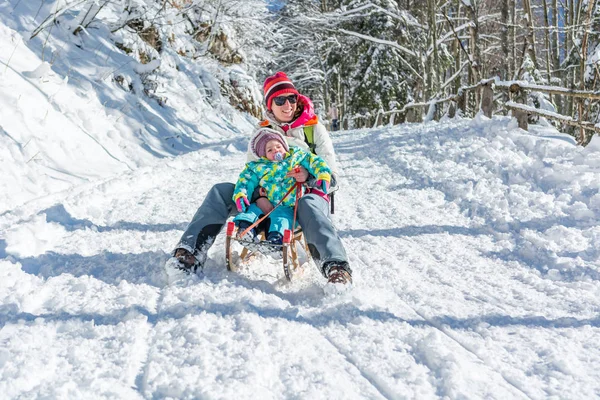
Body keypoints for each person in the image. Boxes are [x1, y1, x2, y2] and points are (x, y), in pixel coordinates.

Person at [170, 71, 352, 285]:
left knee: (309, 203)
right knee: (221, 191)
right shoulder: (261, 131)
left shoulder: (313, 130)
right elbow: (251, 171)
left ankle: (336, 267)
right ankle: (191, 251)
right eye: (280, 100)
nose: (288, 105)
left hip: (302, 197)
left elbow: (332, 177)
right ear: (270, 105)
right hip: (267, 196)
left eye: (292, 98)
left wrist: (308, 177)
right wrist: (258, 197)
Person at [232, 127, 331, 245]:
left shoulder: (296, 157)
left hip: (287, 206)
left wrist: (323, 175)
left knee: (281, 219)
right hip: (265, 202)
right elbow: (245, 181)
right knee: (252, 211)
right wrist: (241, 194)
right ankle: (246, 230)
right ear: (263, 155)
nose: (275, 150)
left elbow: (315, 162)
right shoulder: (258, 166)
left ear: (285, 146)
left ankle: (276, 241)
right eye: (269, 150)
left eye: (278, 147)